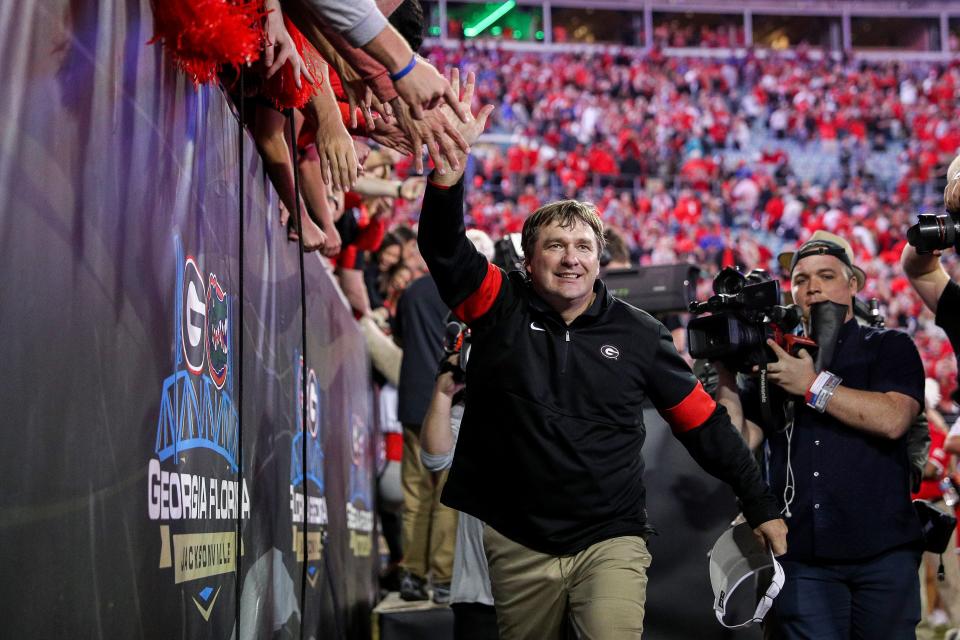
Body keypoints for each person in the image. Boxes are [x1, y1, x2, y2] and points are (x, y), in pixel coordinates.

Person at [418, 69, 786, 639]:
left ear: (600, 259)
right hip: (517, 539)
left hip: (610, 537)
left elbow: (703, 425)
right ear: (528, 259)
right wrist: (448, 177)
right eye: (556, 246)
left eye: (584, 246)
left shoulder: (638, 334)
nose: (571, 258)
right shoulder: (497, 302)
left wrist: (760, 503)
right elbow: (443, 250)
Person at [715, 230, 926, 639]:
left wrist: (812, 386)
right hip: (802, 558)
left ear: (853, 284)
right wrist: (725, 370)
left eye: (827, 275)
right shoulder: (775, 358)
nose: (812, 286)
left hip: (883, 551)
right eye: (801, 279)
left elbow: (893, 419)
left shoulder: (889, 346)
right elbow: (738, 444)